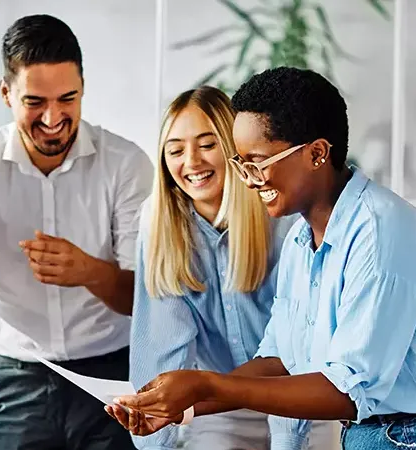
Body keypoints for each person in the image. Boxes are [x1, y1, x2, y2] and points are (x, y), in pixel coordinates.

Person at [113, 66, 416, 450]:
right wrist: (181, 407)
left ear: (317, 153)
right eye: (240, 164)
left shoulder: (382, 235)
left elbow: (346, 391)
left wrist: (208, 383)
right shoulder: (303, 238)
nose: (247, 179)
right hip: (375, 432)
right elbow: (280, 358)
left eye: (258, 162)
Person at [0, 13, 154, 450]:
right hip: (15, 379)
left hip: (111, 375)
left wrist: (88, 271)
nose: (53, 117)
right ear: (6, 93)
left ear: (84, 87)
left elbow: (143, 298)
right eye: (35, 102)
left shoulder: (126, 164)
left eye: (68, 98)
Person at [106, 86, 333, 449]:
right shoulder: (159, 223)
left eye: (207, 144)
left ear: (236, 150)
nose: (192, 162)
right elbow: (162, 343)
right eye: (176, 150)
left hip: (299, 398)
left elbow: (299, 346)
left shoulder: (282, 216)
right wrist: (153, 431)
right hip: (220, 406)